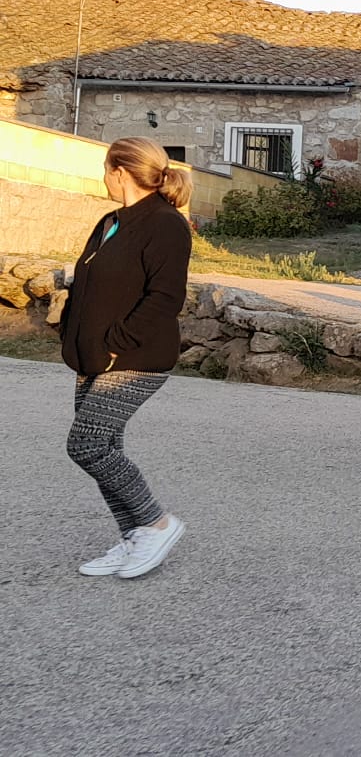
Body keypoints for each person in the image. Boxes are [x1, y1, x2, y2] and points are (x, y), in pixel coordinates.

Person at [59, 137, 193, 578]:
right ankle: (134, 534)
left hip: (136, 356)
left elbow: (165, 297)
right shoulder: (110, 221)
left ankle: (157, 522)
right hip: (94, 356)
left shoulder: (165, 223)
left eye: (105, 168)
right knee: (106, 446)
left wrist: (116, 340)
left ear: (120, 171)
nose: (103, 177)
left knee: (87, 444)